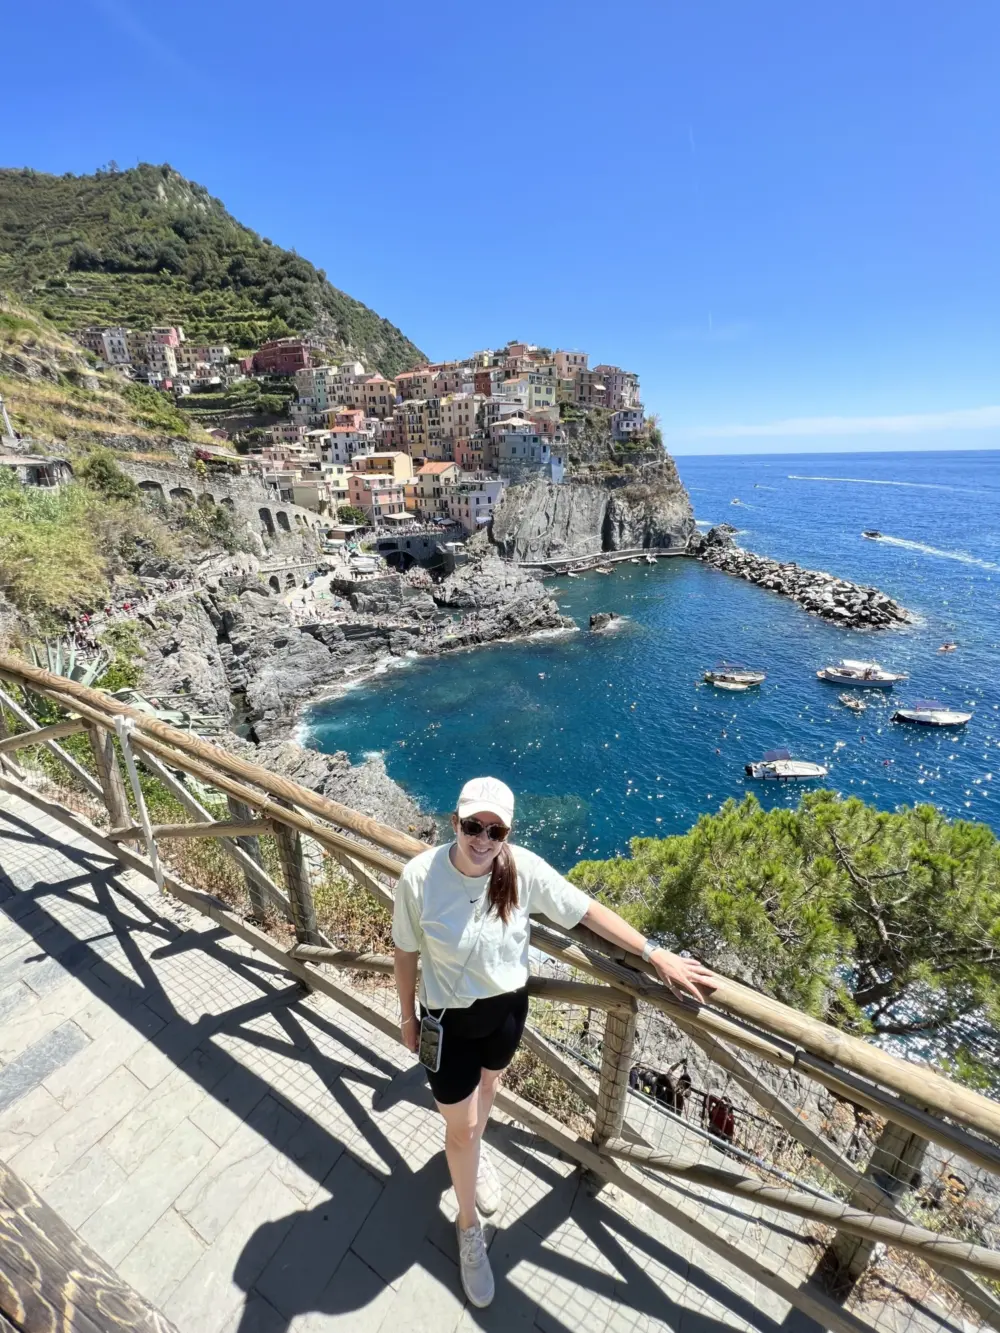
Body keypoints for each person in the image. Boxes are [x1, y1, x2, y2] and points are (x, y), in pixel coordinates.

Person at [393, 776, 716, 1309]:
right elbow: (405, 952)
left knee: (489, 1093)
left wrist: (655, 952)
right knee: (461, 1127)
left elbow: (588, 911)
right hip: (445, 1023)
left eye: (495, 830)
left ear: (507, 833)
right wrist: (406, 1016)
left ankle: (474, 1156)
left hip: (505, 1015)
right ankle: (468, 1227)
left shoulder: (521, 870)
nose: (482, 838)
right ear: (455, 822)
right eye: (473, 825)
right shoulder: (420, 877)